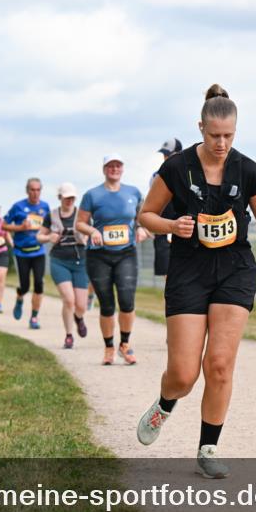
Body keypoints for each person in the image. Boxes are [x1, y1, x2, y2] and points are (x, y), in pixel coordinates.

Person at [136, 84, 256, 478]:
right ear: (201, 127)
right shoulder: (176, 168)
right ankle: (166, 403)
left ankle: (208, 447)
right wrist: (171, 225)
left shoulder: (247, 169)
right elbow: (145, 215)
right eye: (214, 135)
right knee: (184, 373)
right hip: (189, 270)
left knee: (219, 364)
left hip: (234, 269)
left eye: (229, 136)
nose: (221, 143)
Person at [76, 154, 147, 365]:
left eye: (118, 165)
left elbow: (141, 217)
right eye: (110, 166)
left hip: (126, 252)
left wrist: (141, 228)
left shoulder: (133, 192)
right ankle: (108, 347)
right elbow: (80, 223)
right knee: (107, 305)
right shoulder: (92, 195)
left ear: (122, 168)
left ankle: (124, 345)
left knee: (126, 301)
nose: (114, 169)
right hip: (99, 255)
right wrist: (92, 231)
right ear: (104, 169)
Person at [37, 183, 90, 349]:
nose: (69, 201)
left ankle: (79, 318)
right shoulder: (51, 215)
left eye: (72, 198)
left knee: (81, 305)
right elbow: (39, 236)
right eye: (66, 198)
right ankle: (69, 335)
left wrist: (87, 237)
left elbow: (92, 230)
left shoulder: (82, 215)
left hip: (80, 261)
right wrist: (48, 238)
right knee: (69, 300)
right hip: (59, 261)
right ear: (60, 197)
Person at [2, 178, 50, 329]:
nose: (35, 193)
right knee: (25, 286)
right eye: (32, 190)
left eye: (38, 190)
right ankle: (20, 298)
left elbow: (49, 226)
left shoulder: (45, 207)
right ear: (27, 191)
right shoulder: (18, 206)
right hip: (22, 252)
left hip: (38, 251)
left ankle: (34, 317)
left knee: (39, 284)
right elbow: (4, 225)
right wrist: (20, 228)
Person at [151, 138, 182, 282]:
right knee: (169, 279)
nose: (165, 158)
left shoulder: (189, 175)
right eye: (164, 155)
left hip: (184, 232)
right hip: (164, 233)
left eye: (168, 154)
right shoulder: (156, 176)